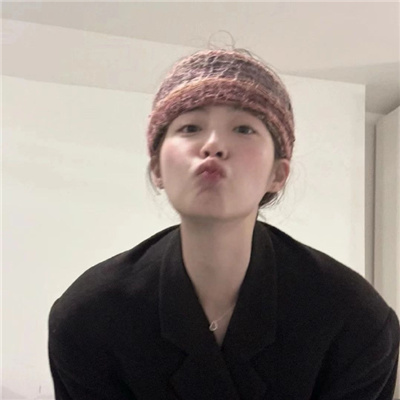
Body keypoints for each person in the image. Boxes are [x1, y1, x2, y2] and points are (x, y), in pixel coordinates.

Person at [48, 48, 399, 399]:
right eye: (190, 127)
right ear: (157, 169)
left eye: (244, 129)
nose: (213, 145)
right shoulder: (89, 317)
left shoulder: (354, 319)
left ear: (278, 174)